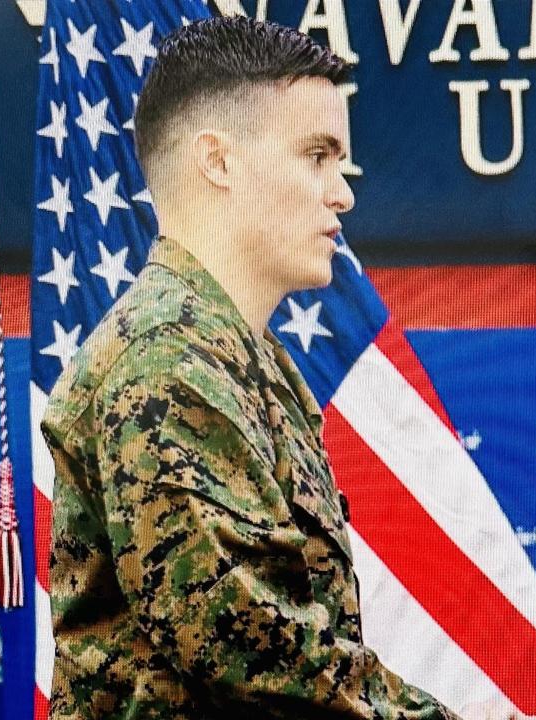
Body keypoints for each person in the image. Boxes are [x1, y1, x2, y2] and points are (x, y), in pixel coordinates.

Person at [42, 17, 461, 720]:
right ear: (220, 161)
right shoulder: (168, 362)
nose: (342, 193)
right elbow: (253, 644)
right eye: (317, 155)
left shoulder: (240, 355)